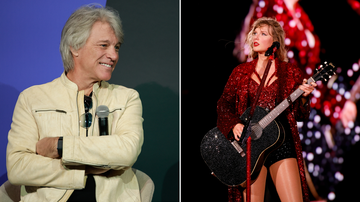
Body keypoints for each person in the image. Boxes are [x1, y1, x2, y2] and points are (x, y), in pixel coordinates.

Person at [6, 4, 144, 202]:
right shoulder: (31, 98)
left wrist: (59, 146)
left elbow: (127, 151)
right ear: (75, 47)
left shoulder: (127, 98)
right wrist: (87, 170)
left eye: (116, 47)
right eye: (104, 45)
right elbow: (18, 167)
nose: (113, 55)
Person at [216, 17, 317, 202]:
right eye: (254, 32)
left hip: (281, 143)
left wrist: (303, 98)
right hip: (251, 146)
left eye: (263, 34)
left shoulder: (290, 72)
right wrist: (234, 124)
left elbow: (302, 114)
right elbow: (224, 104)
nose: (256, 36)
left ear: (275, 41)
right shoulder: (240, 72)